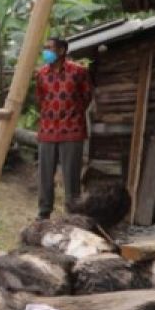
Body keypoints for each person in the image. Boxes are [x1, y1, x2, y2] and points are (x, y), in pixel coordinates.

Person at [34, 36, 93, 220]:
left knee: (71, 176)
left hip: (72, 131)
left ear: (61, 51)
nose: (46, 52)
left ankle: (72, 213)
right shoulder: (41, 74)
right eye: (45, 48)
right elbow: (40, 99)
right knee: (45, 175)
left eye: (49, 48)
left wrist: (71, 114)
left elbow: (87, 96)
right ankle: (44, 212)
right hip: (47, 131)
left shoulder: (78, 72)